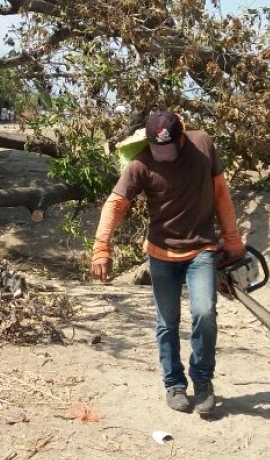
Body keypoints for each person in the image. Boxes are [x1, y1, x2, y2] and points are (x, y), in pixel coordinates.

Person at [90, 110, 245, 417]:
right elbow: (116, 204)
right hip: (161, 253)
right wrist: (100, 248)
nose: (161, 155)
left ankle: (202, 383)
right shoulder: (141, 163)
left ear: (182, 137)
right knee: (167, 323)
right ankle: (174, 384)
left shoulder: (203, 146)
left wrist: (232, 237)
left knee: (204, 313)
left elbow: (221, 193)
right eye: (156, 148)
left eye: (167, 148)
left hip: (201, 248)